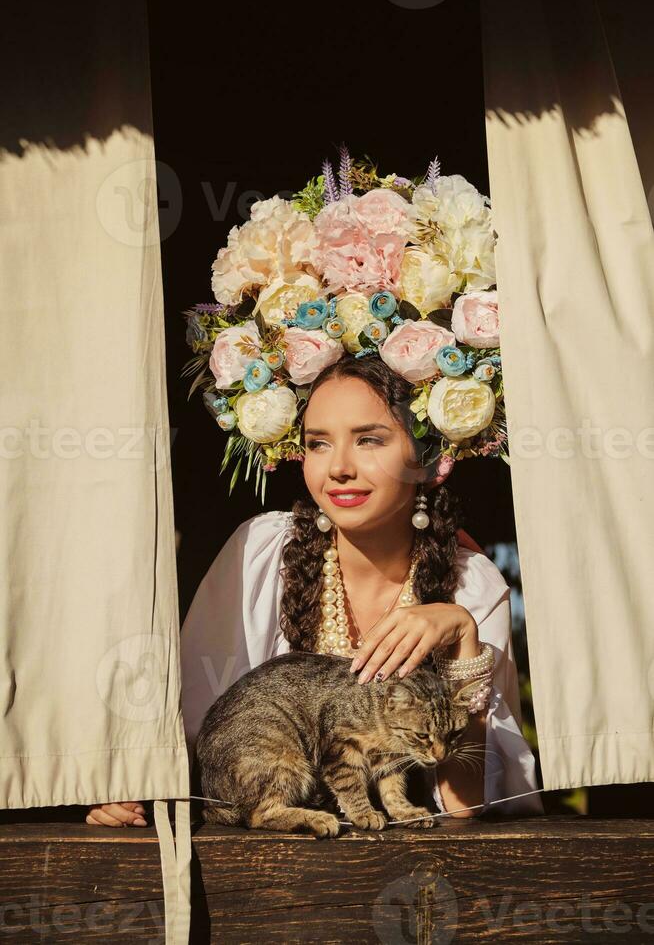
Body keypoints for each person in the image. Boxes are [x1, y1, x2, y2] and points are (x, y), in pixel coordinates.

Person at [86, 354, 543, 826]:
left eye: (368, 439)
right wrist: (129, 791)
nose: (339, 468)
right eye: (318, 443)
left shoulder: (473, 586)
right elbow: (188, 719)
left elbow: (466, 807)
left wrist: (462, 634)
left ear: (428, 459)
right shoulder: (261, 551)